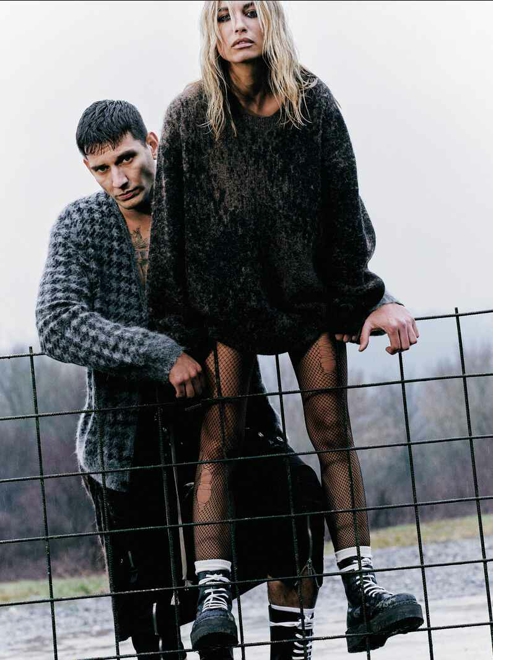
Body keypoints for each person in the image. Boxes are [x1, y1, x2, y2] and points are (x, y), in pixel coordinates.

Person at [147, 0, 425, 655]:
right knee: (218, 443)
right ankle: (214, 601)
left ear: (270, 19)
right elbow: (170, 233)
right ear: (211, 32)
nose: (238, 26)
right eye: (223, 16)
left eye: (250, 11)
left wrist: (367, 299)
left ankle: (363, 593)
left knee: (333, 433)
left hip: (307, 302)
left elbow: (343, 209)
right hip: (225, 308)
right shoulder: (190, 114)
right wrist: (173, 335)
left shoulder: (312, 103)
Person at [36, 99, 329, 660]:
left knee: (294, 513)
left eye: (127, 158)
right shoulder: (81, 225)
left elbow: (298, 262)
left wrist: (376, 300)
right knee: (158, 607)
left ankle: (291, 653)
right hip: (129, 438)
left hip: (230, 409)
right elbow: (56, 323)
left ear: (152, 142)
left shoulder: (201, 202)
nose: (119, 179)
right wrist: (161, 354)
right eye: (102, 169)